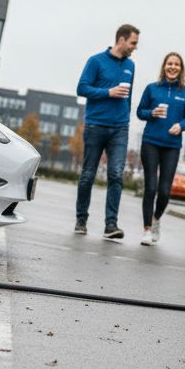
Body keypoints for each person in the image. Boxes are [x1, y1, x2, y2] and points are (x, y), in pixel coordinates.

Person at [74, 24, 139, 239]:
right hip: (95, 125)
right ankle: (81, 219)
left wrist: (126, 118)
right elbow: (82, 88)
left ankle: (111, 225)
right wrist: (108, 92)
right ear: (121, 40)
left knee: (116, 175)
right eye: (133, 43)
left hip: (120, 128)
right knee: (88, 175)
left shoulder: (130, 65)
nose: (135, 47)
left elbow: (128, 97)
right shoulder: (96, 61)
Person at [135, 53, 185, 245]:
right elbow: (140, 112)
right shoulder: (152, 88)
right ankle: (146, 230)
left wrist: (181, 126)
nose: (172, 67)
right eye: (169, 63)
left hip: (172, 146)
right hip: (151, 142)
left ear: (181, 68)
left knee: (165, 191)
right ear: (164, 66)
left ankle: (156, 219)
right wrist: (152, 113)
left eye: (176, 64)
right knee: (150, 187)